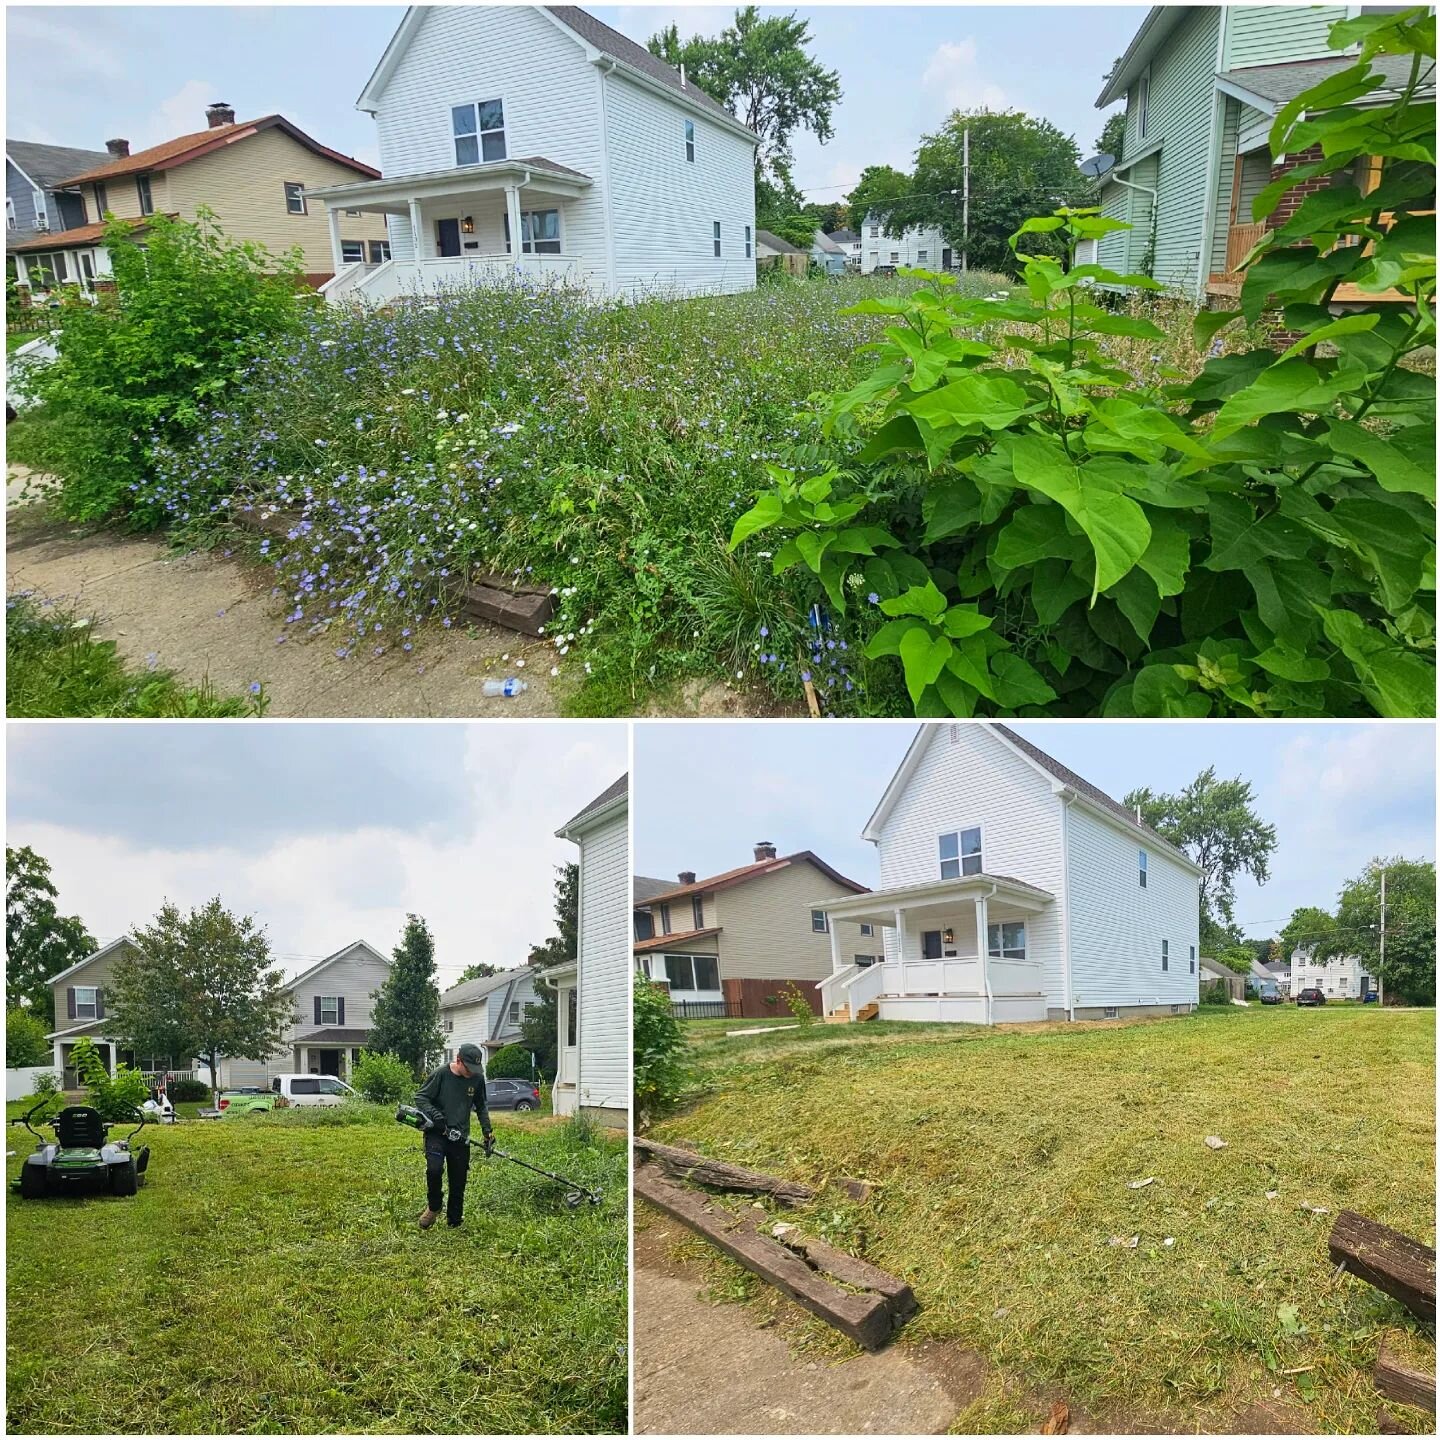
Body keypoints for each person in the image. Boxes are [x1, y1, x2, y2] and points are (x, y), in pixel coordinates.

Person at [413, 1043, 494, 1230]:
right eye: (469, 1068)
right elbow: (421, 1098)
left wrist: (487, 1131)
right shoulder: (441, 1074)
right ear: (458, 1060)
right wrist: (436, 1116)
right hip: (437, 1133)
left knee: (458, 1180)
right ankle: (434, 1207)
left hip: (460, 1136)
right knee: (434, 1171)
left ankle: (454, 1221)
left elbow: (481, 1106)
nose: (472, 1072)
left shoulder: (477, 1079)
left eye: (475, 1069)